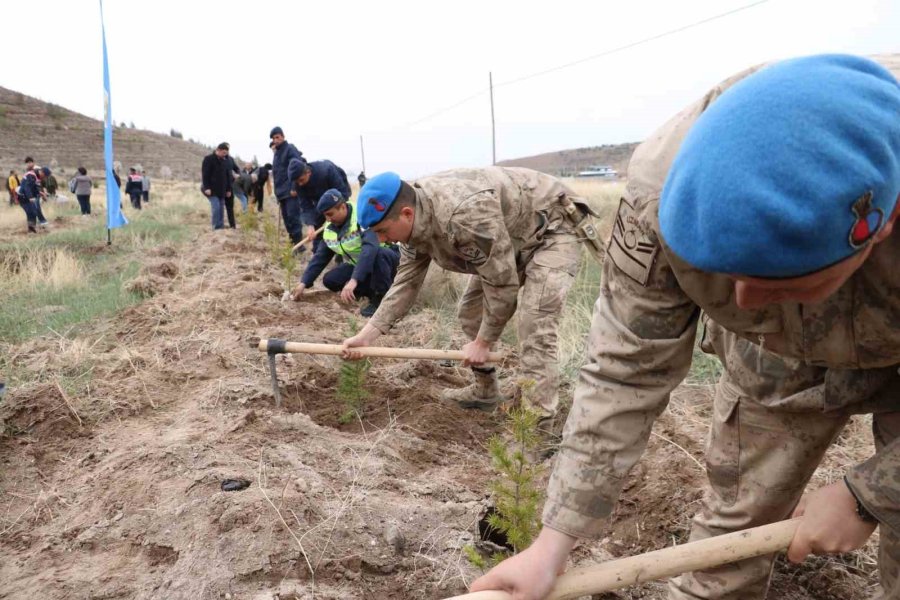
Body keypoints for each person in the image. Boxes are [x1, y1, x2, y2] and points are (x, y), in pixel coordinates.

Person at [469, 55, 900, 600]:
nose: (745, 303)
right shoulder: (657, 193)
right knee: (731, 542)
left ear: (881, 224)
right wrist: (553, 543)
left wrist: (870, 494)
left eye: (779, 280)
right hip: (777, 367)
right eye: (722, 274)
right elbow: (625, 369)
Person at [341, 167, 591, 423]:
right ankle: (486, 391)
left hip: (552, 229)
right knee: (471, 314)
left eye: (383, 231)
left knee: (535, 326)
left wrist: (483, 343)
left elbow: (502, 285)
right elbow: (405, 284)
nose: (382, 240)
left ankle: (537, 428)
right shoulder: (413, 223)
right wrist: (366, 336)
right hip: (510, 236)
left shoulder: (465, 217)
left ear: (407, 214)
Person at [291, 189, 400, 317]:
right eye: (325, 215)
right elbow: (320, 257)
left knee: (379, 253)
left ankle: (379, 300)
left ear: (342, 207)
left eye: (330, 214)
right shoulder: (329, 229)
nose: (328, 219)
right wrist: (304, 282)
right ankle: (369, 292)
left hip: (387, 263)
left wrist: (354, 280)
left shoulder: (362, 217)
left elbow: (369, 250)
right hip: (361, 267)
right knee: (330, 280)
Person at [286, 157, 351, 252]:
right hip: (320, 199)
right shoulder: (298, 184)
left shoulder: (326, 170)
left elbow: (342, 193)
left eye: (301, 180)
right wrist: (310, 224)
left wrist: (332, 217)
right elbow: (305, 205)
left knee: (339, 223)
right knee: (316, 225)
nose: (299, 184)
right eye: (297, 182)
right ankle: (317, 253)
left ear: (308, 172)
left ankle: (341, 254)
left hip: (338, 196)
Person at [270, 126, 305, 243]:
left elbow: (298, 167)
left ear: (283, 136)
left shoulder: (290, 149)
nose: (275, 140)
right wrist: (276, 193)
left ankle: (299, 244)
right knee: (287, 220)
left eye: (277, 137)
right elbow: (277, 174)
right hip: (281, 193)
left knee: (293, 218)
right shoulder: (276, 154)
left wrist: (294, 187)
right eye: (273, 138)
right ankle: (293, 242)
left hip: (291, 192)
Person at [201, 143, 234, 230]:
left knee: (221, 209)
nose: (225, 155)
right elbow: (205, 175)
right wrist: (207, 187)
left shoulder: (224, 161)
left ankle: (221, 227)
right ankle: (215, 227)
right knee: (216, 207)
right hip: (211, 189)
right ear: (218, 150)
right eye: (223, 152)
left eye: (226, 153)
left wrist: (229, 189)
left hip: (222, 190)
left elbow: (227, 177)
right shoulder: (208, 159)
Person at [18, 158, 42, 233]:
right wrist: (30, 197)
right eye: (27, 163)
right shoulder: (30, 175)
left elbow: (33, 186)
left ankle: (32, 229)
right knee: (32, 212)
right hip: (24, 197)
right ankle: (31, 230)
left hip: (26, 196)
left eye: (30, 162)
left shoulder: (33, 174)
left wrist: (39, 192)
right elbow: (27, 187)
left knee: (32, 211)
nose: (29, 164)